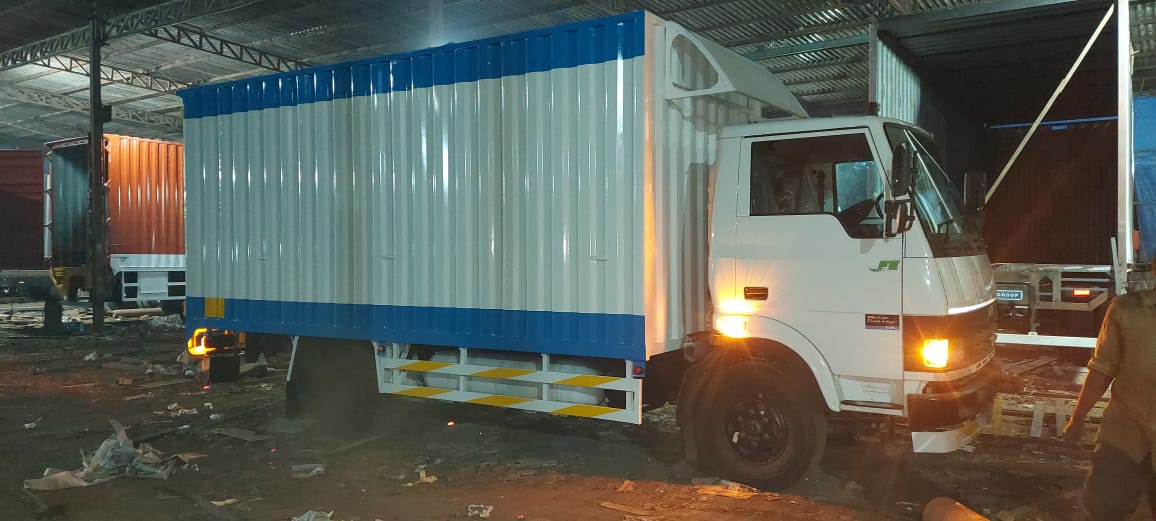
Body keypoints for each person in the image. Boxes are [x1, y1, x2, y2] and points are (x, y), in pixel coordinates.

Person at [1063, 262, 1156, 520]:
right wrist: (1078, 417)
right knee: (1101, 510)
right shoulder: (1128, 311)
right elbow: (1101, 369)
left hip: (1124, 438)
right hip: (1124, 439)